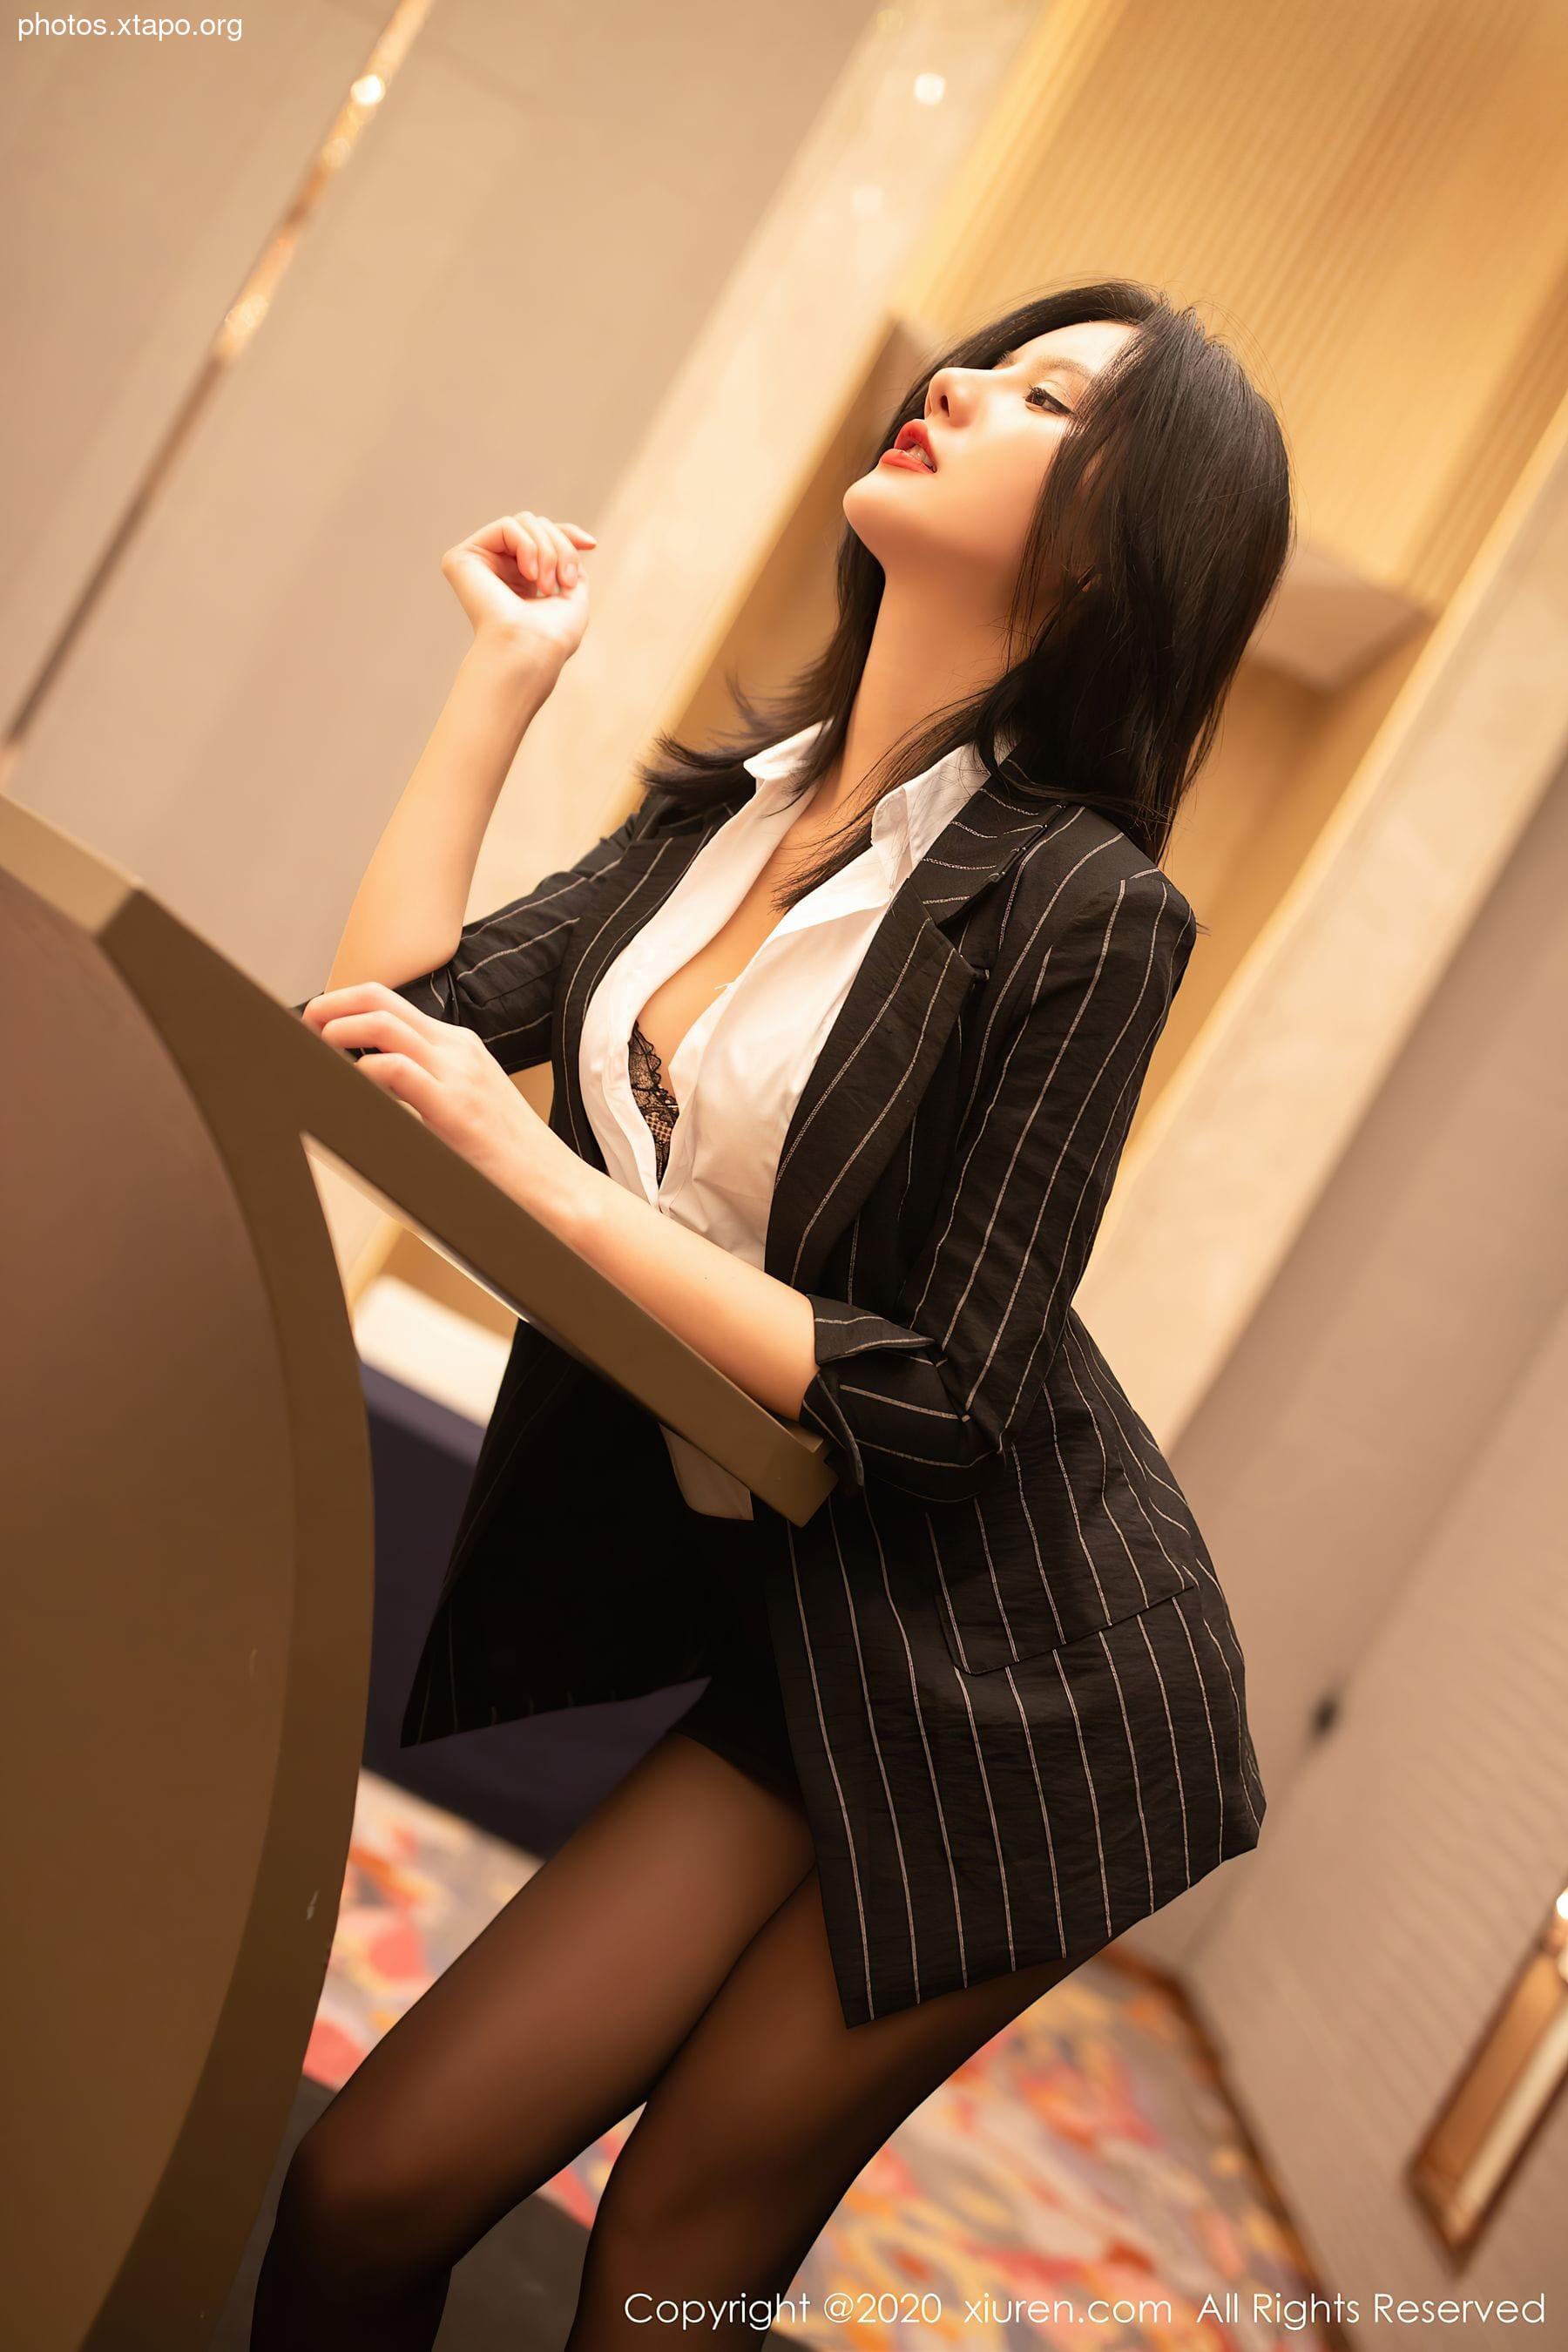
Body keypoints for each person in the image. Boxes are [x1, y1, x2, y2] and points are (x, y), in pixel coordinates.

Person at [254, 278, 1288, 2349]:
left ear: (1118, 537)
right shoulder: (728, 811)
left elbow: (950, 1399)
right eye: (979, 357)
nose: (958, 384)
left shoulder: (1089, 906)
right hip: (816, 1652)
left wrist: (544, 1173)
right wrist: (505, 681)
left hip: (1044, 1689)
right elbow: (392, 1049)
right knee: (372, 2187)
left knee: (662, 2272)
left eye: (1045, 396)